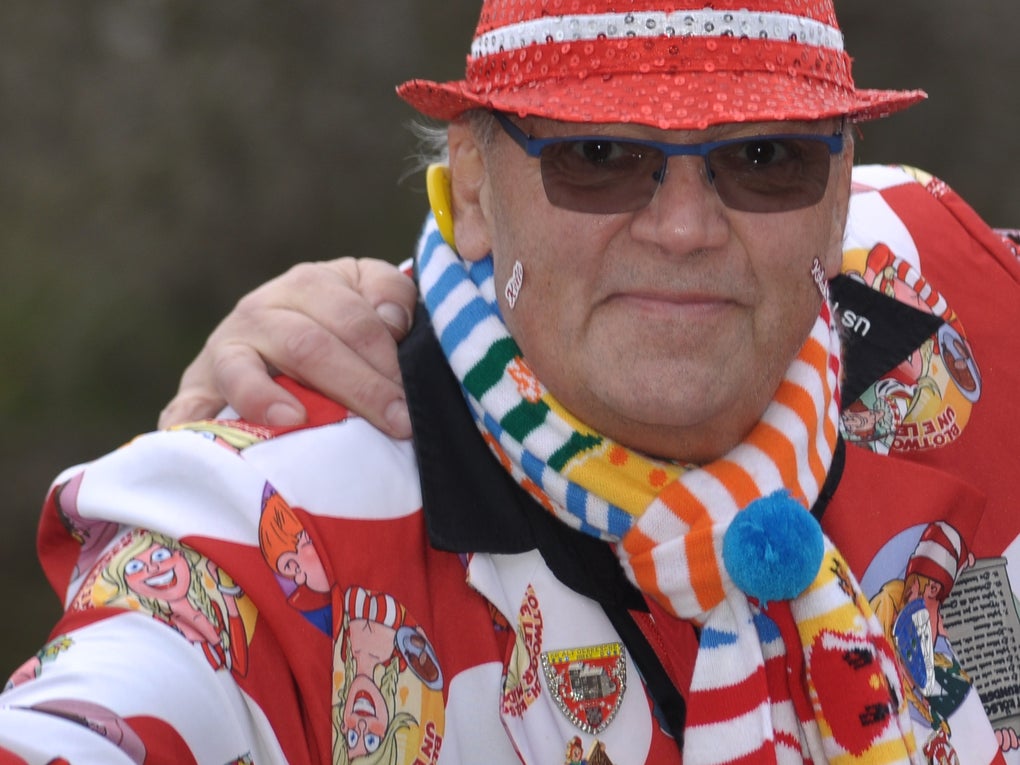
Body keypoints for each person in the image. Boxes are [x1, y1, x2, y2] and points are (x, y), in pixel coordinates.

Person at [4, 1, 1020, 763]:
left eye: (765, 157)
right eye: (598, 156)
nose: (684, 227)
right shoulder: (268, 520)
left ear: (840, 189)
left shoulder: (961, 297)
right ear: (475, 186)